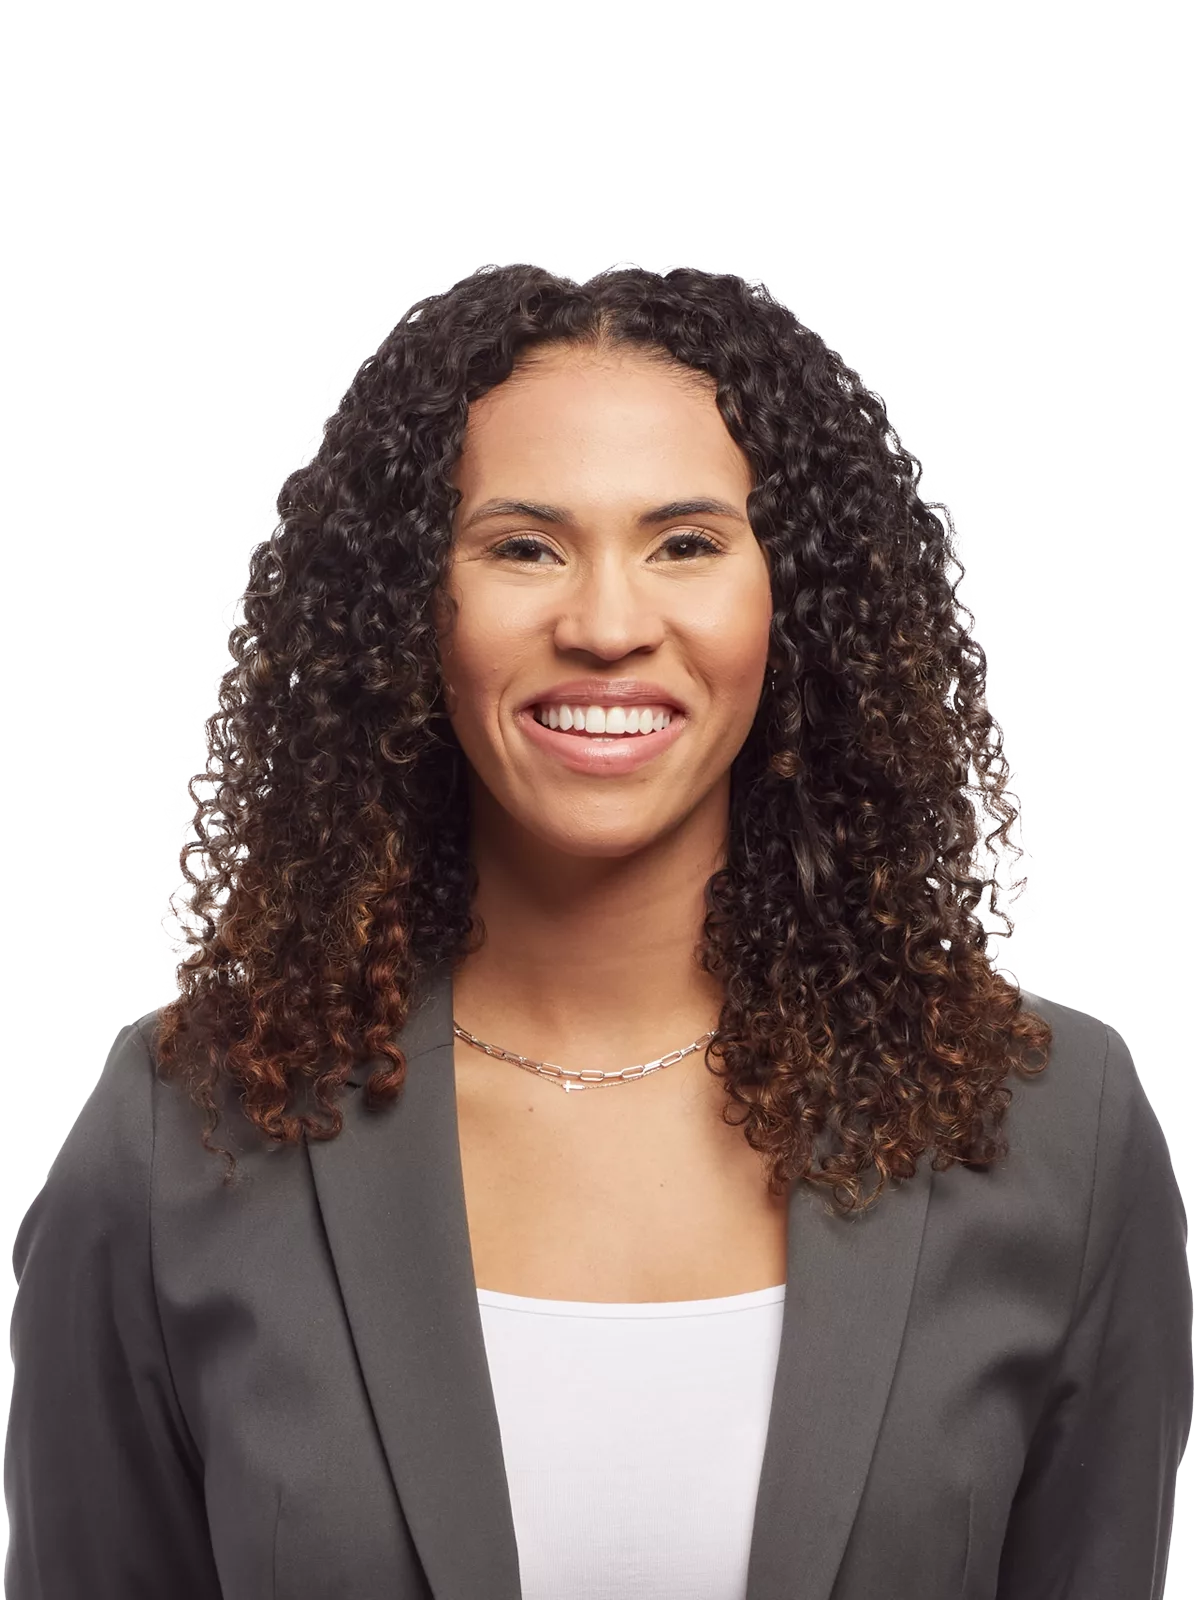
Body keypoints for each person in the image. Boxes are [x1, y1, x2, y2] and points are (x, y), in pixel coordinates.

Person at [3, 260, 1192, 1600]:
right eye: (523, 546)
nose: (609, 626)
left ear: (794, 601)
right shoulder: (184, 1131)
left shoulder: (1051, 1128)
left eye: (687, 544)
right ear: (407, 607)